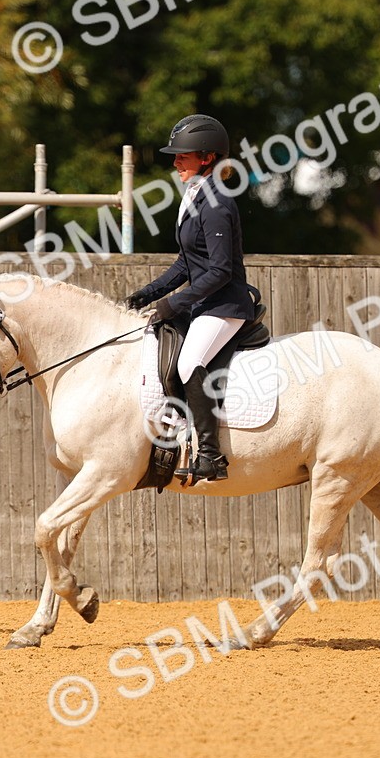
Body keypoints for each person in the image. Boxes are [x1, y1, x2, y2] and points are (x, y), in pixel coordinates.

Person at [126, 113, 255, 483]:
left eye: (183, 155)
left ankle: (212, 457)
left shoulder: (217, 203)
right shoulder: (196, 198)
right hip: (205, 303)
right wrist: (147, 294)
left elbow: (219, 271)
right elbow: (187, 262)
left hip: (225, 306)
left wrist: (175, 303)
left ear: (207, 157)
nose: (175, 161)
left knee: (188, 363)